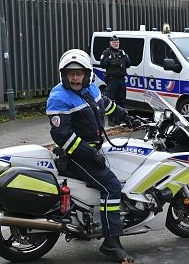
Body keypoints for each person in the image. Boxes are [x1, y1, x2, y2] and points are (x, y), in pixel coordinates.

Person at [47, 49, 134, 263]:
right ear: (64, 75)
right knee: (112, 187)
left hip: (93, 150)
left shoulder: (91, 89)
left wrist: (127, 116)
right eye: (71, 73)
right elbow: (61, 135)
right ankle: (111, 242)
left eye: (79, 73)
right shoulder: (59, 97)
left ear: (87, 74)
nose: (75, 77)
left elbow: (104, 103)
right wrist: (89, 153)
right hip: (76, 155)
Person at [100, 35, 131, 124]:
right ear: (110, 43)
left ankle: (119, 119)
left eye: (117, 42)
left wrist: (125, 56)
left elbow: (128, 64)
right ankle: (111, 120)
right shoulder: (106, 52)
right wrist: (109, 59)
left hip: (121, 79)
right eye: (114, 42)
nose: (116, 44)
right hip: (112, 80)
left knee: (121, 100)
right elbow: (102, 64)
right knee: (111, 100)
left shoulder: (122, 52)